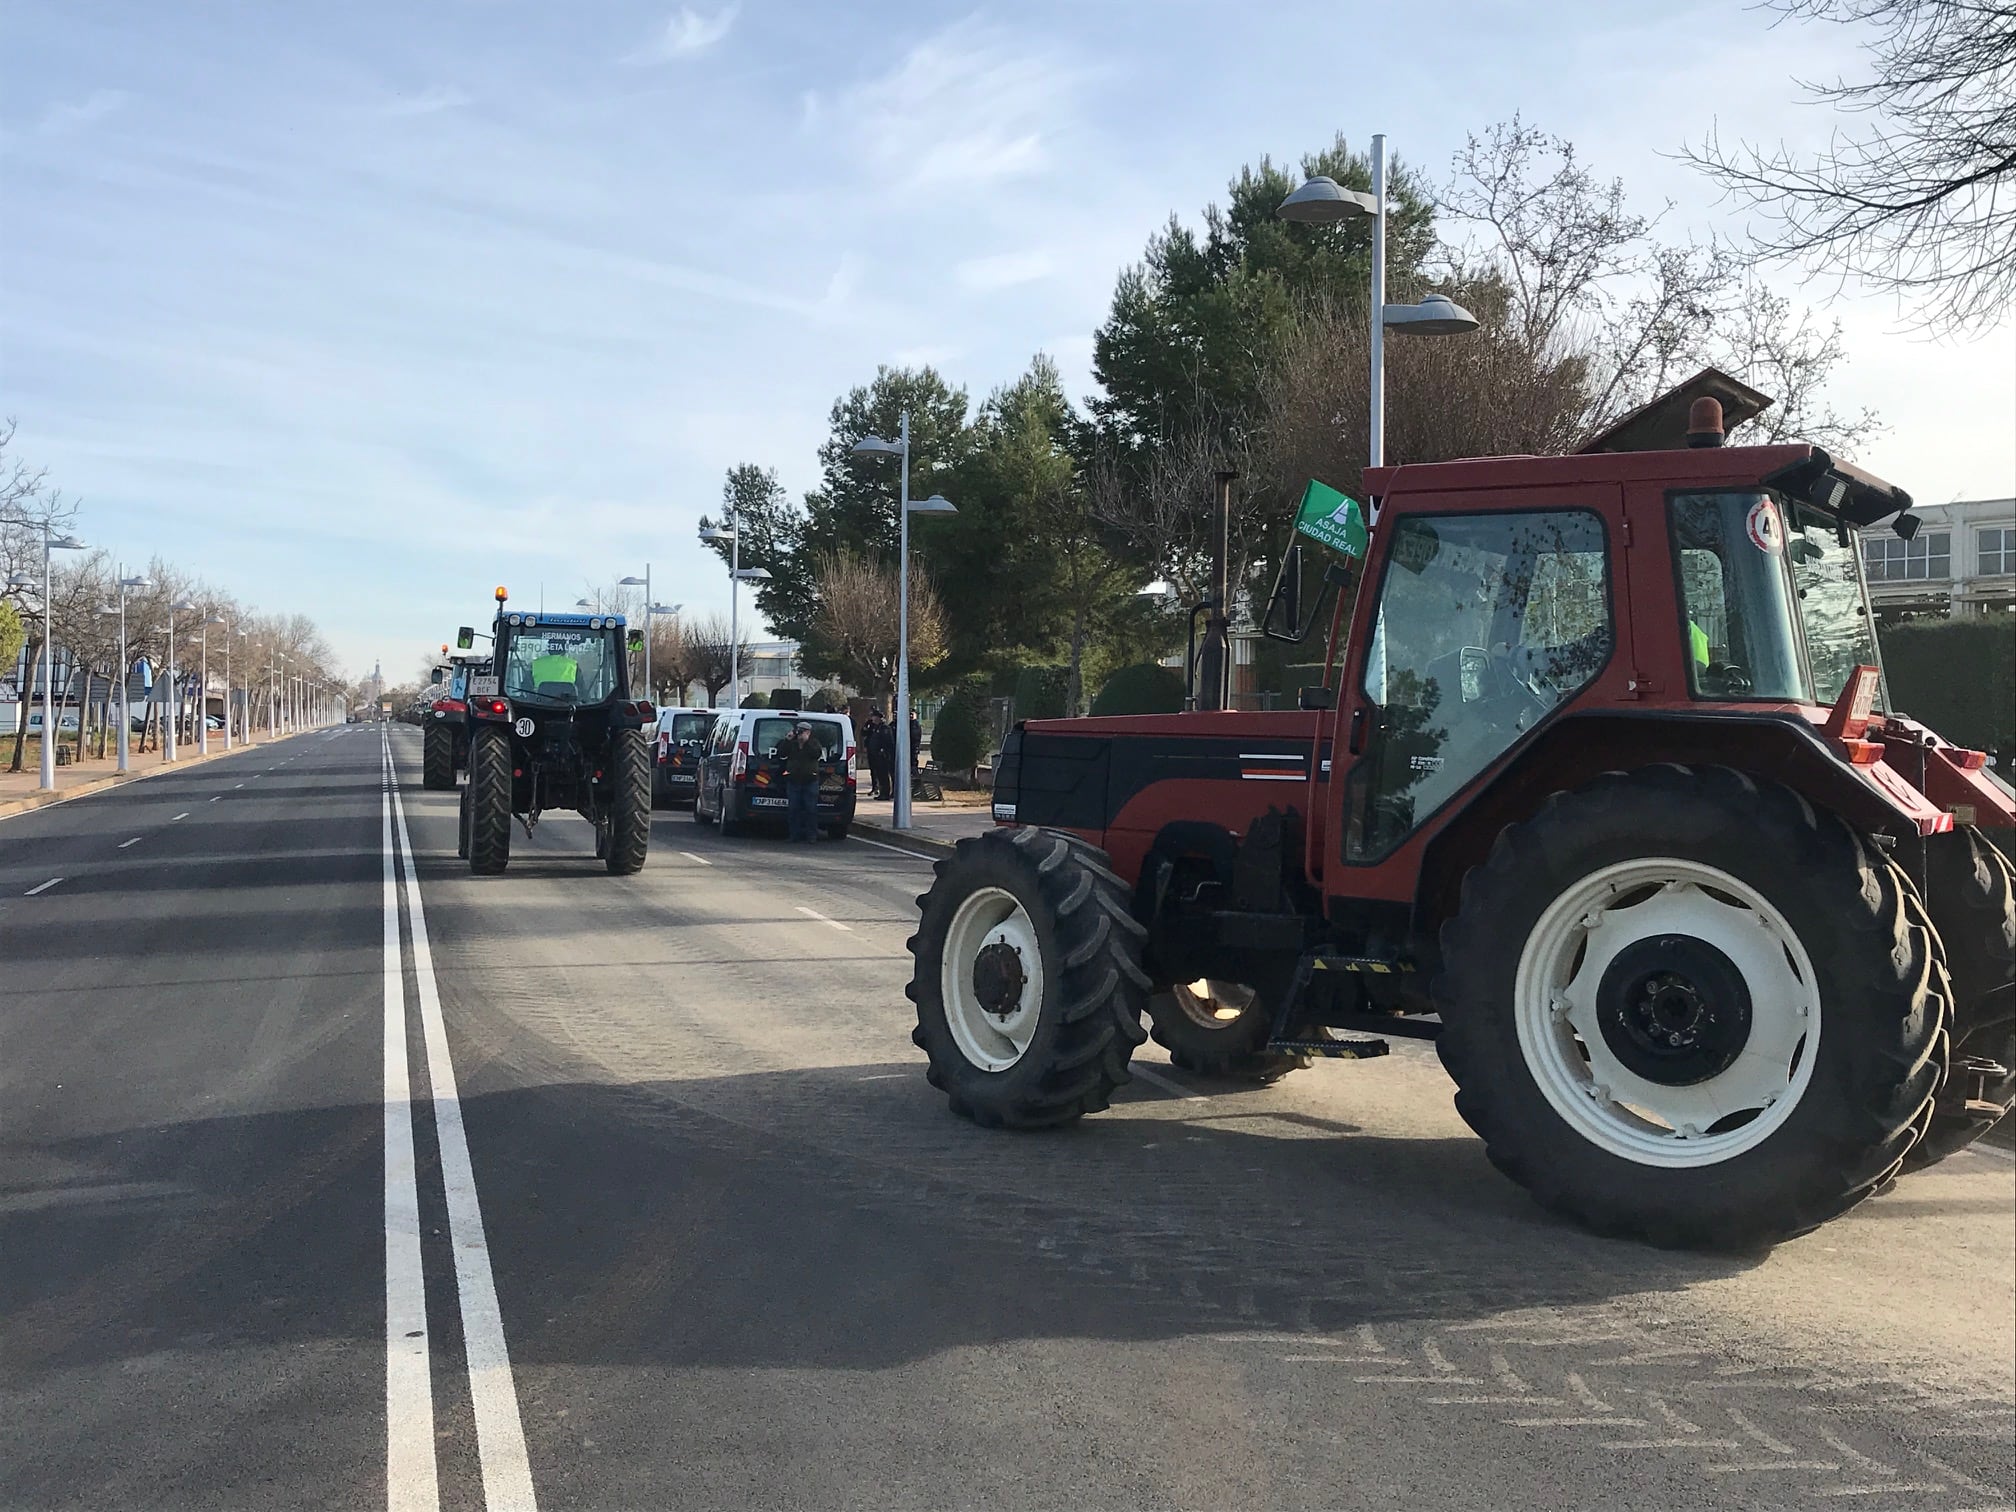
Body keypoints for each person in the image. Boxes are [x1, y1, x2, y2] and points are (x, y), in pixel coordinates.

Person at [781, 719, 824, 842]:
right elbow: (782, 753)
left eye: (803, 732)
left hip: (810, 780)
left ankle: (811, 835)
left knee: (811, 809)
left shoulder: (814, 743)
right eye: (799, 731)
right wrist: (787, 740)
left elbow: (816, 754)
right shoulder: (792, 744)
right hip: (794, 780)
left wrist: (806, 743)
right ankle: (794, 835)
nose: (800, 734)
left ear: (809, 732)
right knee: (793, 809)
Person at [864, 711, 893, 799]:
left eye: (874, 717)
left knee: (883, 775)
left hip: (882, 756)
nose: (872, 718)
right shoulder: (876, 728)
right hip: (875, 755)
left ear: (878, 718)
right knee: (879, 775)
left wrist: (883, 751)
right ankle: (881, 792)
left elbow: (887, 742)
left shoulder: (884, 728)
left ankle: (885, 793)